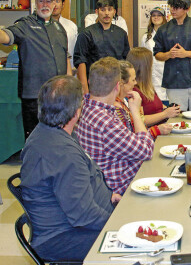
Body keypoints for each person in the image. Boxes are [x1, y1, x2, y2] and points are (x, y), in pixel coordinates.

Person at [20, 75, 119, 262]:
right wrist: (118, 222)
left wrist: (108, 196)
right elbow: (84, 216)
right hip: (63, 236)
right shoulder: (63, 153)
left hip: (70, 225)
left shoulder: (46, 132)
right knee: (138, 246)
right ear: (77, 112)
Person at [0, 0, 71, 139]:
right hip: (34, 98)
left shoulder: (59, 28)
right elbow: (6, 37)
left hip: (58, 97)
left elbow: (65, 59)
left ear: (55, 5)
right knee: (36, 140)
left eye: (49, 1)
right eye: (41, 1)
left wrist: (70, 87)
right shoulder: (25, 25)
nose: (45, 5)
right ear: (35, 4)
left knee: (57, 138)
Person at [76, 57, 154, 195]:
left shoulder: (87, 107)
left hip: (107, 182)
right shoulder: (105, 122)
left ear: (90, 82)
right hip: (122, 188)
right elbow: (146, 150)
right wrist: (135, 111)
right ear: (118, 86)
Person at [74, 0, 130, 94]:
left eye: (110, 9)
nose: (106, 13)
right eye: (103, 10)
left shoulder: (121, 34)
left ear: (114, 11)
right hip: (94, 84)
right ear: (97, 12)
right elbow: (80, 61)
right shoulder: (87, 34)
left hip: (116, 84)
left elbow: (126, 60)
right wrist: (85, 88)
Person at [115, 59, 174, 139]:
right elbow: (134, 141)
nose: (135, 83)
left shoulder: (125, 101)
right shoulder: (117, 109)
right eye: (133, 80)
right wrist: (156, 130)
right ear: (122, 83)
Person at [127, 47, 180, 127]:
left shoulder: (147, 87)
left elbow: (158, 106)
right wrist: (165, 114)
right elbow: (139, 120)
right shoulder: (134, 91)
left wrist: (170, 109)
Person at [141, 6, 168, 101]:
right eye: (153, 15)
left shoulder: (169, 34)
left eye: (159, 15)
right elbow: (143, 57)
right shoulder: (146, 37)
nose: (156, 17)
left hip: (166, 70)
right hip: (152, 73)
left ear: (164, 17)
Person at [51, 0, 78, 72]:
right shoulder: (40, 26)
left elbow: (75, 51)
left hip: (68, 71)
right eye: (51, 1)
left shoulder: (71, 26)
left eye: (57, 1)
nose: (54, 5)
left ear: (63, 4)